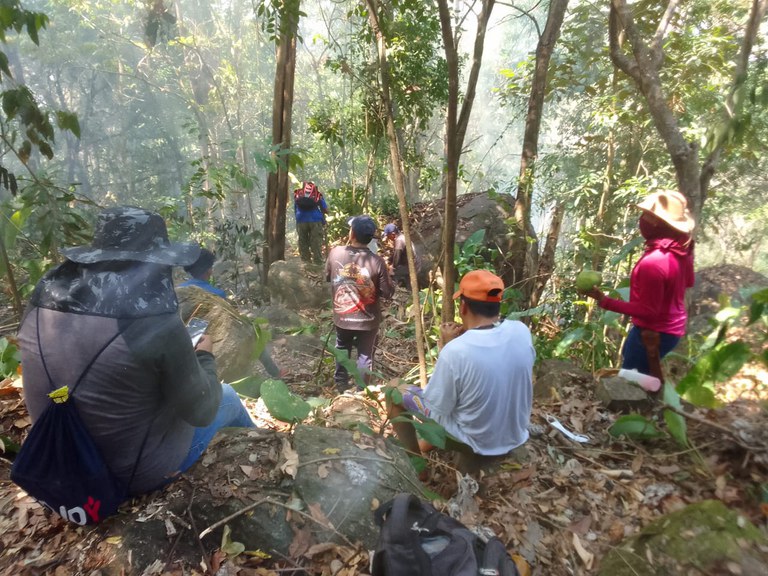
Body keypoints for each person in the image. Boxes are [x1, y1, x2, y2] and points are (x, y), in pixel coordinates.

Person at [16, 206, 255, 497]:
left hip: (55, 464)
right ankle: (267, 466)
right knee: (227, 397)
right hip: (125, 477)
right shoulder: (152, 319)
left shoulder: (44, 298)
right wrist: (204, 355)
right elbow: (202, 410)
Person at [388, 270, 535, 470]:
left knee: (394, 389)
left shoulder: (456, 352)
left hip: (476, 444)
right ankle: (425, 447)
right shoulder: (521, 331)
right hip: (515, 435)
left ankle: (417, 467)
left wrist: (446, 347)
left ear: (463, 306)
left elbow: (437, 406)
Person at [580, 190, 695, 383]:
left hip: (653, 332)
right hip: (670, 331)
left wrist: (604, 300)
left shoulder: (654, 262)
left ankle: (632, 412)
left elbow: (648, 311)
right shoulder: (681, 250)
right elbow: (688, 281)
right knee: (640, 372)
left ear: (660, 224)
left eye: (649, 216)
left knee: (630, 385)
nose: (643, 219)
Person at [179, 247, 286, 379]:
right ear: (208, 270)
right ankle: (275, 372)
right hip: (211, 340)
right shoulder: (217, 294)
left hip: (184, 339)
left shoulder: (179, 290)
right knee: (253, 335)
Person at [325, 215, 394, 392]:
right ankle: (361, 390)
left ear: (352, 233)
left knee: (342, 348)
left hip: (342, 316)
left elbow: (328, 277)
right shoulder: (377, 262)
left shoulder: (335, 253)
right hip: (367, 319)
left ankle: (341, 384)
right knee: (365, 355)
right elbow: (388, 293)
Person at [293, 180, 328, 265]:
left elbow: (295, 208)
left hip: (301, 220)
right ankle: (318, 261)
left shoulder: (297, 194)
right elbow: (325, 209)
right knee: (316, 241)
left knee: (302, 240)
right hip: (315, 220)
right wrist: (324, 217)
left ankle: (306, 261)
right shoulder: (317, 194)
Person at [382, 223, 419, 288]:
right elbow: (395, 254)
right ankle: (406, 285)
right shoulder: (401, 236)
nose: (388, 238)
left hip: (411, 266)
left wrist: (392, 268)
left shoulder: (399, 241)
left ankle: (395, 288)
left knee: (390, 274)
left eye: (388, 236)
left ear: (393, 234)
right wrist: (389, 260)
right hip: (414, 263)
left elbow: (396, 259)